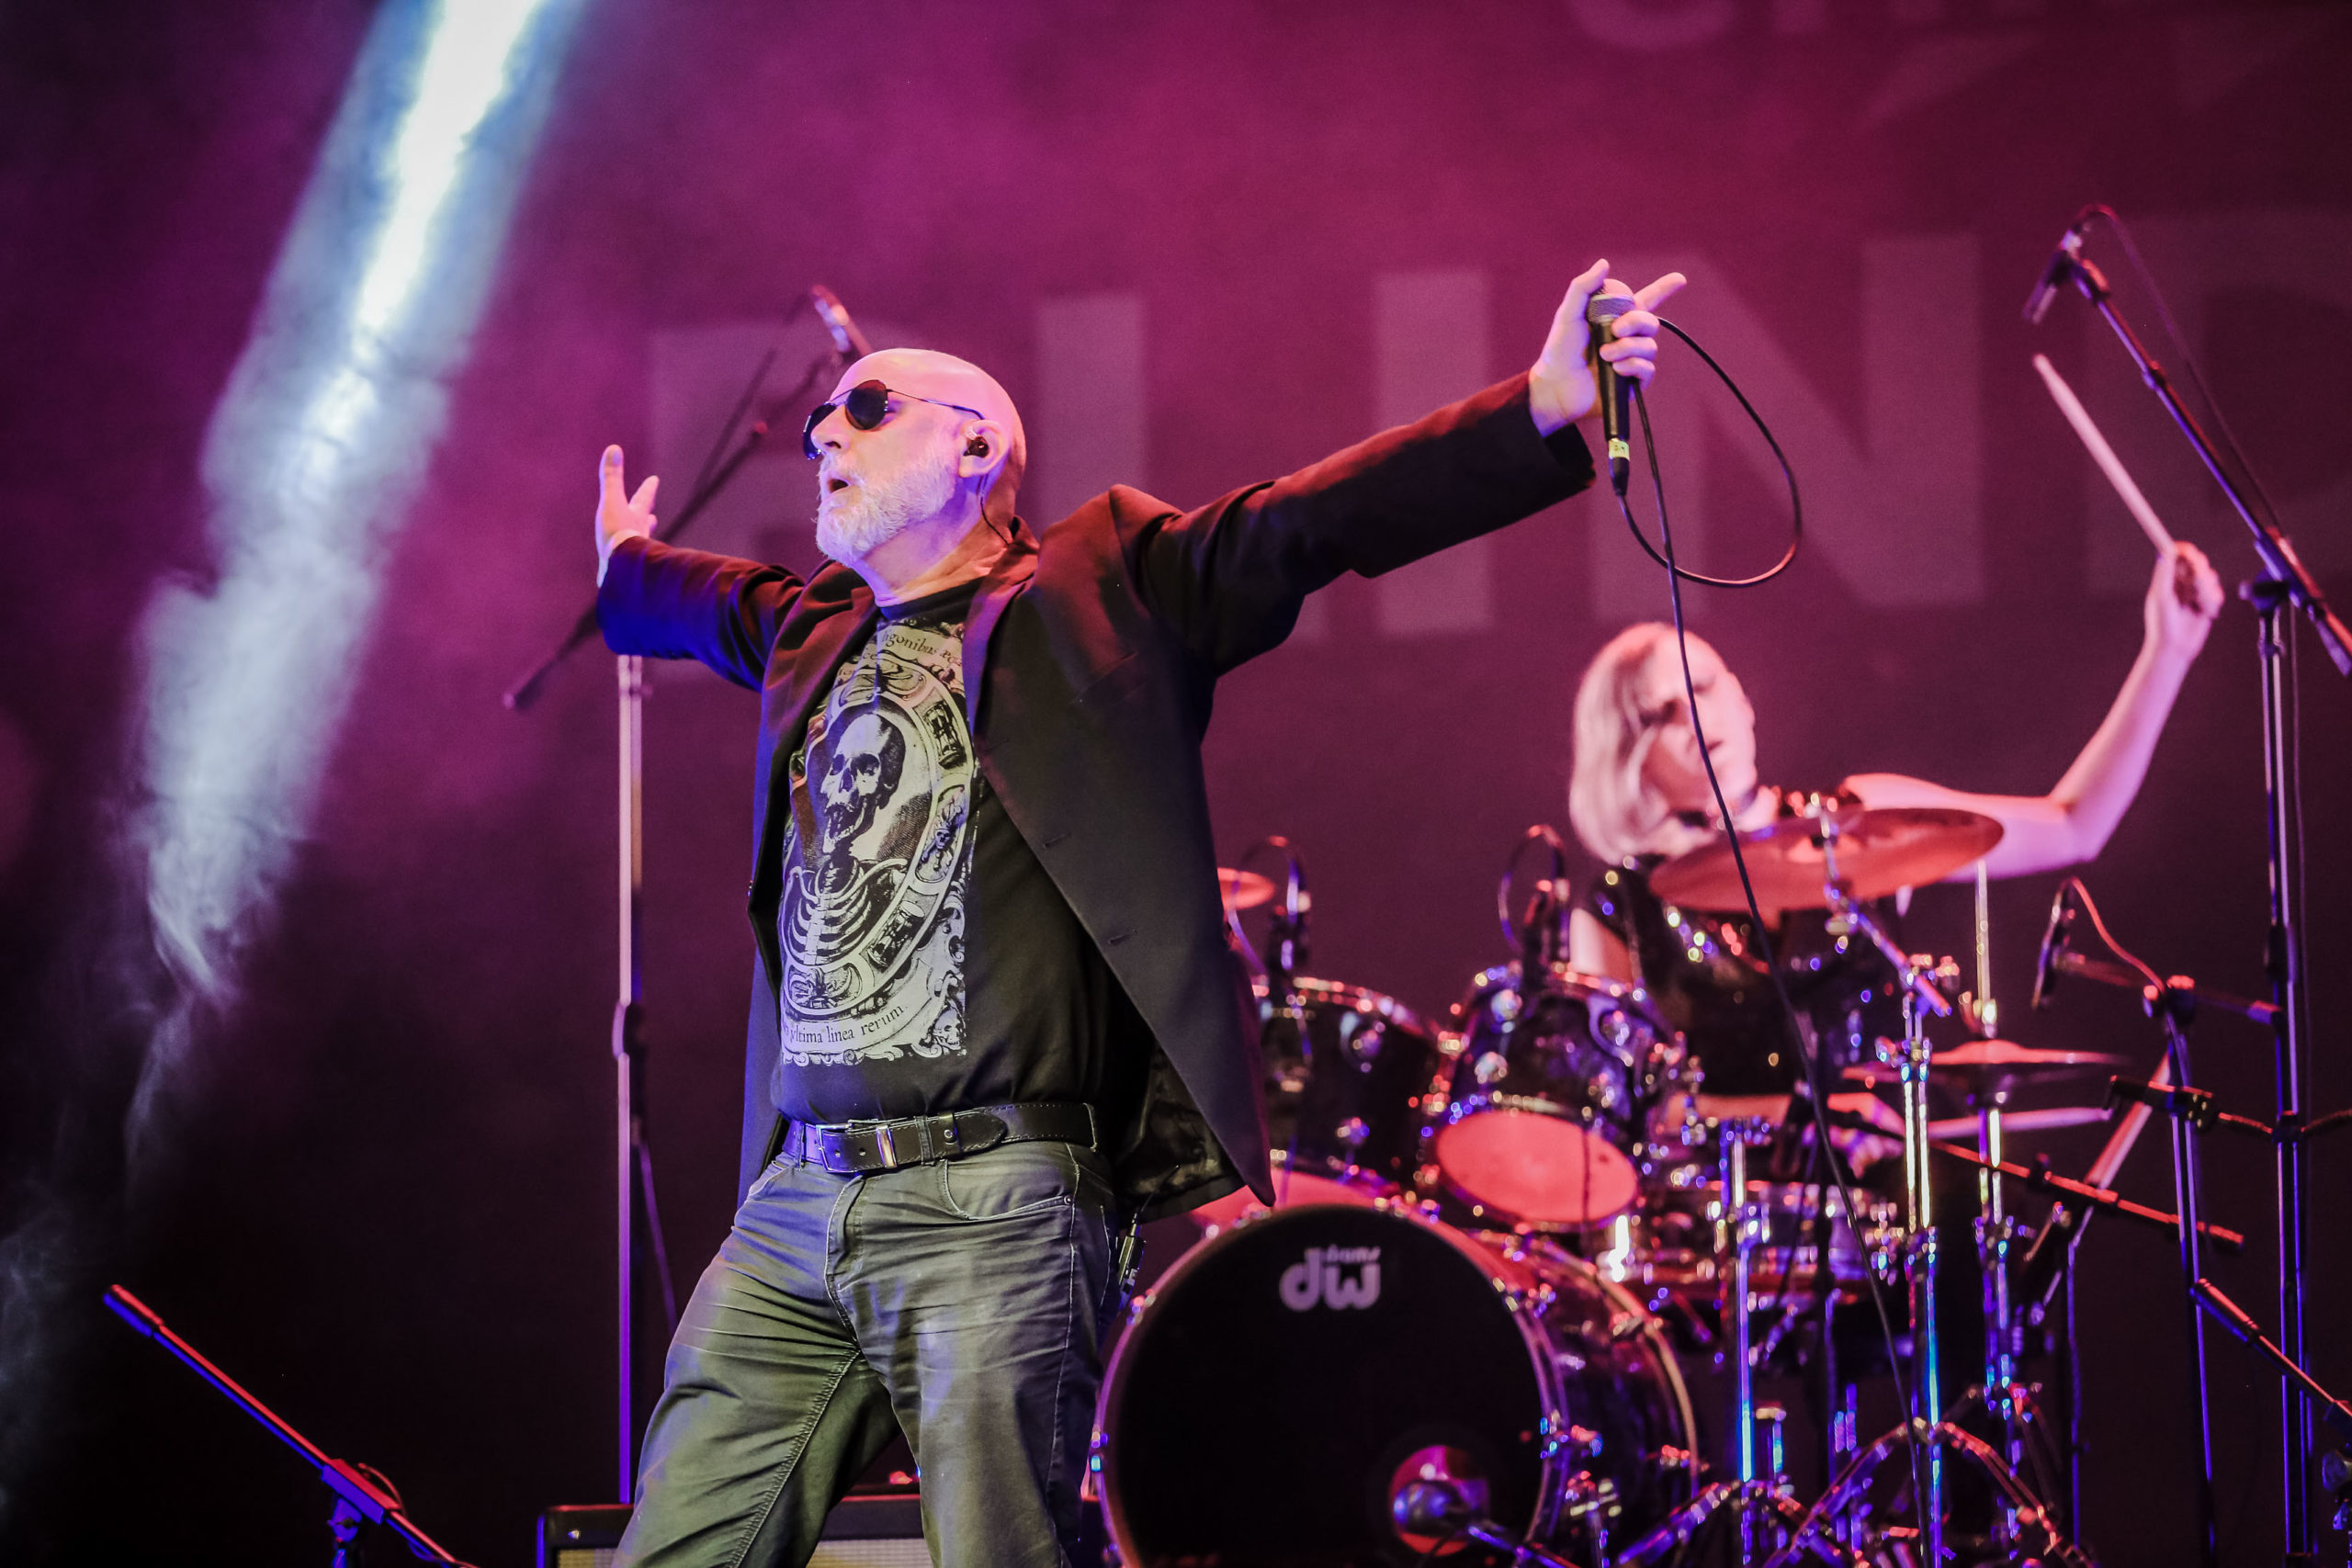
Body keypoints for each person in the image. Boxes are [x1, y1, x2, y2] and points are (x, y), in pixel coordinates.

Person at [591, 259, 1687, 1567]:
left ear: (977, 449)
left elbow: (1307, 519)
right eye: (826, 415)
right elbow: (692, 599)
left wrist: (1540, 406)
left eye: (868, 408)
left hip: (991, 1199)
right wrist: (623, 563)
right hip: (796, 1197)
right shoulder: (813, 632)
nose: (827, 431)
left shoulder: (1098, 589)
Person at [1563, 540, 2225, 1154]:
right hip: (1730, 1221)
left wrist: (2167, 653)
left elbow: (2075, 824)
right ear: (1627, 762)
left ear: (1743, 698)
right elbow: (1620, 1110)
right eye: (1660, 714)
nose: (1694, 718)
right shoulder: (1619, 906)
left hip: (1899, 1203)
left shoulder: (1861, 819)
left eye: (1703, 687)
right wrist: (1796, 1121)